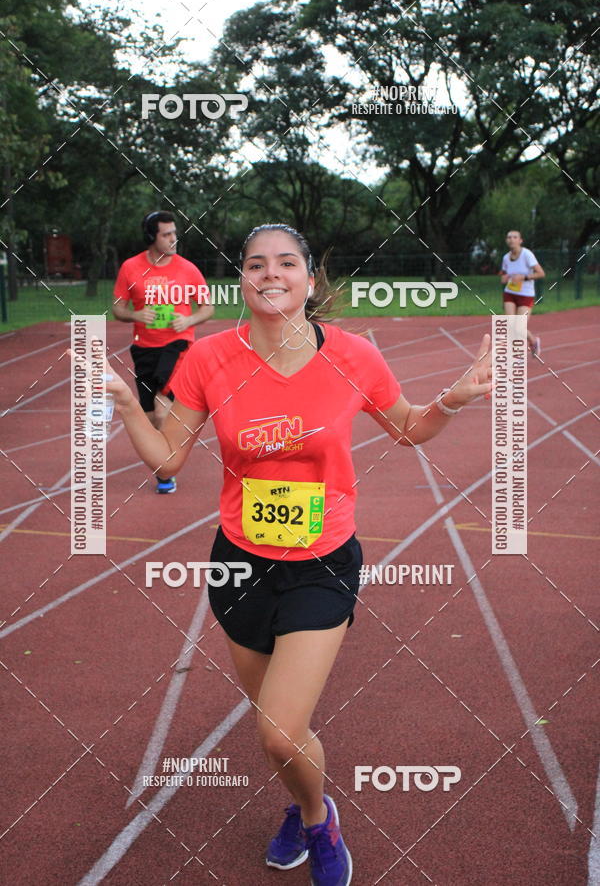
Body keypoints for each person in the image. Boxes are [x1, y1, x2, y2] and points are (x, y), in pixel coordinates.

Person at [104, 224, 492, 885]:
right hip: (239, 566)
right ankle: (304, 803)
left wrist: (451, 401)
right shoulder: (208, 359)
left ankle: (318, 821)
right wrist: (126, 405)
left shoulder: (353, 356)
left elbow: (407, 428)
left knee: (280, 733)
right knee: (276, 729)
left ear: (310, 282)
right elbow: (168, 458)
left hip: (322, 562)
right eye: (256, 264)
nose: (271, 274)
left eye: (287, 263)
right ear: (242, 281)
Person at [112, 210, 213, 493]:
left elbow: (207, 307)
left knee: (161, 406)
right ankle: (163, 455)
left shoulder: (187, 269)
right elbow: (118, 308)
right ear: (151, 237)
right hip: (143, 348)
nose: (173, 239)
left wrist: (188, 321)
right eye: (166, 234)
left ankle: (166, 470)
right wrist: (135, 315)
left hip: (178, 345)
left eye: (174, 233)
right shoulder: (131, 268)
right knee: (148, 415)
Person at [499, 229, 545, 358]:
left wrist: (523, 277)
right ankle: (515, 355)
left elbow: (541, 273)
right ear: (506, 240)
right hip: (510, 292)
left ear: (520, 240)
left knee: (519, 327)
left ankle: (533, 341)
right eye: (509, 237)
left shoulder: (527, 255)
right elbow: (504, 273)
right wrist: (504, 278)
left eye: (515, 237)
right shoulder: (505, 258)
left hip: (526, 294)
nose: (511, 239)